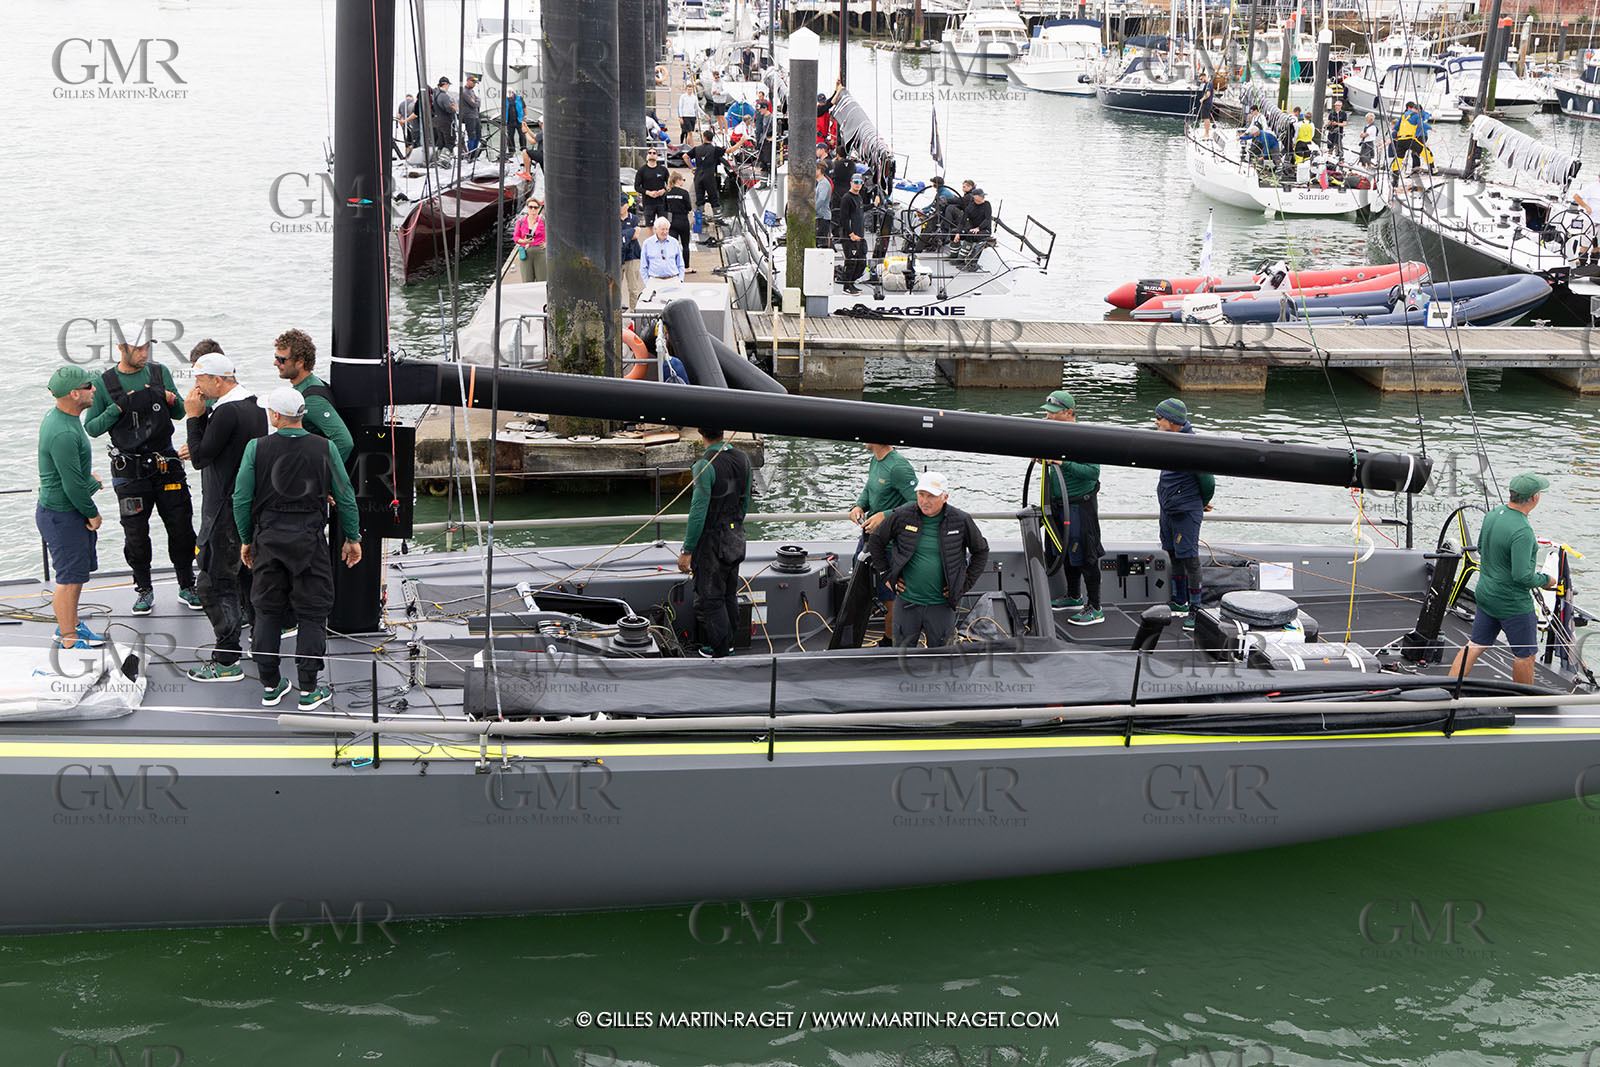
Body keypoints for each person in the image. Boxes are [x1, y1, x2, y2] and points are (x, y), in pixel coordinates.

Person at [234, 388, 362, 710]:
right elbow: (345, 496)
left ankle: (270, 685)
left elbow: (241, 499)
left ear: (275, 416)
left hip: (269, 541)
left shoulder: (256, 448)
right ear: (302, 415)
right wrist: (352, 537)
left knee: (266, 611)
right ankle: (309, 689)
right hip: (309, 541)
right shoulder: (325, 447)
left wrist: (247, 539)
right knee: (312, 614)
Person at [83, 324, 199, 616]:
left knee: (181, 526)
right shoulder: (104, 382)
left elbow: (181, 412)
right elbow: (92, 428)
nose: (144, 353)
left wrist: (175, 401)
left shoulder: (160, 373)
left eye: (148, 347)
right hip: (129, 471)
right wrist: (116, 409)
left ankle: (187, 584)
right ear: (122, 348)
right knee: (135, 533)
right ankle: (144, 589)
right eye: (138, 348)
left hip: (167, 465)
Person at [179, 353, 266, 682]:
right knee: (248, 577)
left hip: (222, 512)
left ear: (218, 380)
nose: (196, 387)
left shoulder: (227, 412)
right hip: (247, 506)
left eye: (200, 380)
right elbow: (218, 450)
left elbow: (200, 458)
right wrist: (203, 422)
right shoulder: (254, 405)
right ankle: (261, 643)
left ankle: (227, 658)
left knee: (214, 583)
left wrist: (192, 418)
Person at [1447, 474, 1558, 686]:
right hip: (1512, 604)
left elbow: (1480, 548)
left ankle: (1450, 687)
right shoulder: (1523, 531)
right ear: (1534, 497)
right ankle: (1524, 702)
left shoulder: (1492, 514)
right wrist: (1546, 579)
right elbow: (1522, 577)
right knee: (1525, 656)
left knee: (1476, 644)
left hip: (1486, 595)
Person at [866, 471, 991, 649]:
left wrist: (963, 584)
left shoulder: (961, 520)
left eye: (931, 496)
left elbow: (981, 551)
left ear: (945, 497)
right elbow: (876, 540)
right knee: (902, 657)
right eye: (921, 494)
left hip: (941, 605)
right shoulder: (902, 515)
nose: (925, 500)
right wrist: (886, 575)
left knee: (942, 659)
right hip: (906, 602)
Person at [38, 367, 105, 650]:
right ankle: (68, 638)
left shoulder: (67, 418)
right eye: (89, 386)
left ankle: (72, 624)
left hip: (66, 510)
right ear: (75, 393)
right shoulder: (63, 432)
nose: (94, 390)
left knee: (76, 576)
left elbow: (71, 472)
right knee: (67, 580)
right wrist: (93, 513)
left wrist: (88, 479)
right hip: (62, 515)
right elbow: (71, 486)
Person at [676, 427, 751, 659]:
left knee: (710, 599)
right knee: (729, 593)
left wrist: (687, 550)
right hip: (735, 536)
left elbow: (698, 512)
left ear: (701, 434)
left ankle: (720, 654)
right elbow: (745, 500)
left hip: (712, 544)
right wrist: (734, 527)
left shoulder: (703, 466)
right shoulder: (743, 459)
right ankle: (728, 645)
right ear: (723, 432)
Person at [1037, 390, 1104, 625]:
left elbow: (1093, 472)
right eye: (1047, 412)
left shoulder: (1086, 437)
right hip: (1057, 505)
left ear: (1069, 412)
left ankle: (1095, 607)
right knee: (1064, 550)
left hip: (1080, 506)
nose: (1048, 416)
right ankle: (1073, 596)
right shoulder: (1051, 434)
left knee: (1086, 555)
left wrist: (1063, 463)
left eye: (1053, 413)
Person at [1153, 398, 1215, 628]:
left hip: (1186, 511)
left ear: (1171, 421)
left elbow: (1207, 481)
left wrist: (1202, 503)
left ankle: (1196, 607)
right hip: (1168, 510)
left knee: (1189, 558)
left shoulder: (1193, 446)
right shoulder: (1167, 440)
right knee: (1172, 552)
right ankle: (1179, 601)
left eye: (1159, 418)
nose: (1156, 421)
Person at [848, 443, 918, 645]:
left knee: (890, 595)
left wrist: (884, 516)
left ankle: (890, 642)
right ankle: (854, 637)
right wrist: (859, 505)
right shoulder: (875, 460)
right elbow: (870, 488)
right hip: (870, 540)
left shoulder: (899, 467)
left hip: (890, 546)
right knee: (860, 585)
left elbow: (916, 502)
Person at [274, 329, 353, 467]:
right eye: (276, 357)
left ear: (300, 362)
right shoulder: (303, 387)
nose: (275, 363)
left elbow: (344, 442)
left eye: (281, 359)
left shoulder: (312, 398)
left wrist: (321, 474)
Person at [688, 130, 727, 223]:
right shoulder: (715, 149)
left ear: (704, 138)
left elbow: (685, 156)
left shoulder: (696, 149)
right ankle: (718, 219)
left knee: (699, 198)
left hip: (698, 176)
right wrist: (740, 142)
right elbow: (729, 150)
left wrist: (692, 167)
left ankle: (700, 220)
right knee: (713, 197)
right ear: (712, 138)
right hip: (709, 177)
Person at [839, 172, 868, 294]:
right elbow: (843, 218)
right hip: (850, 237)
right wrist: (851, 234)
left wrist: (874, 205)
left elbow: (861, 211)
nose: (858, 185)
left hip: (860, 236)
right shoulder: (847, 198)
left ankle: (852, 283)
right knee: (851, 262)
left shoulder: (859, 197)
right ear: (851, 183)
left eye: (860, 182)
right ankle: (846, 286)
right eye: (855, 182)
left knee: (861, 263)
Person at [1391, 100, 1431, 177]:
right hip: (1410, 137)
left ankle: (1416, 170)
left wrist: (1425, 120)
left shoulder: (1418, 112)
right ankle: (1403, 170)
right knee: (1402, 154)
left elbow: (1426, 114)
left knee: (1415, 153)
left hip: (1421, 135)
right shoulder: (1406, 114)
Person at [663, 172, 695, 271]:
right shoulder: (684, 193)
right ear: (678, 180)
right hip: (683, 220)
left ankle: (673, 266)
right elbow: (689, 207)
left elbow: (665, 207)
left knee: (672, 245)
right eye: (683, 180)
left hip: (672, 220)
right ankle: (686, 267)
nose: (683, 182)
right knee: (685, 245)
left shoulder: (667, 193)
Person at [641, 216, 686, 284]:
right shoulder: (647, 243)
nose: (665, 232)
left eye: (667, 229)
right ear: (655, 229)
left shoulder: (674, 242)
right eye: (662, 229)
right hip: (655, 280)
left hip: (673, 279)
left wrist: (680, 280)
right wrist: (647, 282)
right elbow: (643, 266)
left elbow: (680, 264)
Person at [634, 146, 671, 225]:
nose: (652, 154)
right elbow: (636, 186)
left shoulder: (663, 170)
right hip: (648, 203)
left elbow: (670, 184)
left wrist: (663, 190)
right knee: (649, 225)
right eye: (649, 153)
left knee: (663, 224)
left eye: (654, 153)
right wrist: (648, 192)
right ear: (647, 156)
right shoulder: (642, 170)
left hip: (662, 202)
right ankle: (651, 237)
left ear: (657, 156)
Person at [620, 197, 646, 309]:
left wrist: (623, 235)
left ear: (627, 206)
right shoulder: (612, 218)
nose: (619, 208)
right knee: (615, 287)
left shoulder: (634, 218)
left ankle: (633, 311)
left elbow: (636, 235)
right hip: (618, 256)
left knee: (633, 287)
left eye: (622, 205)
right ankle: (617, 309)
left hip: (632, 256)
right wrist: (629, 232)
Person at [514, 198, 547, 283]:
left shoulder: (543, 221)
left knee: (542, 280)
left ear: (539, 208)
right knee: (527, 280)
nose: (533, 209)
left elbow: (553, 233)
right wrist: (524, 241)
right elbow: (516, 237)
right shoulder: (520, 222)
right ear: (527, 207)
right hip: (526, 252)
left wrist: (547, 243)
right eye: (530, 207)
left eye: (535, 207)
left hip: (540, 252)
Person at [431, 76, 457, 151]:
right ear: (445, 84)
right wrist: (454, 109)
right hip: (446, 122)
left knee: (441, 142)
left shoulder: (435, 94)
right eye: (448, 85)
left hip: (438, 121)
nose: (448, 87)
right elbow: (448, 109)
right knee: (449, 141)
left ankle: (439, 159)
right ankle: (446, 160)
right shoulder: (444, 95)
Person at [459, 75, 481, 153]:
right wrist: (476, 101)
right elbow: (473, 104)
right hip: (469, 116)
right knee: (472, 136)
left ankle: (474, 153)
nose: (474, 84)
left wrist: (476, 100)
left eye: (475, 83)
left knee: (478, 135)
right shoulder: (464, 92)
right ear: (468, 81)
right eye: (473, 82)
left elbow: (478, 100)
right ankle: (470, 154)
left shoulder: (471, 91)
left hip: (476, 116)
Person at [814, 162, 833, 245]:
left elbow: (821, 199)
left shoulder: (824, 183)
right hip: (820, 216)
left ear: (819, 170)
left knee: (822, 241)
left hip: (822, 217)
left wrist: (812, 210)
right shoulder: (820, 183)